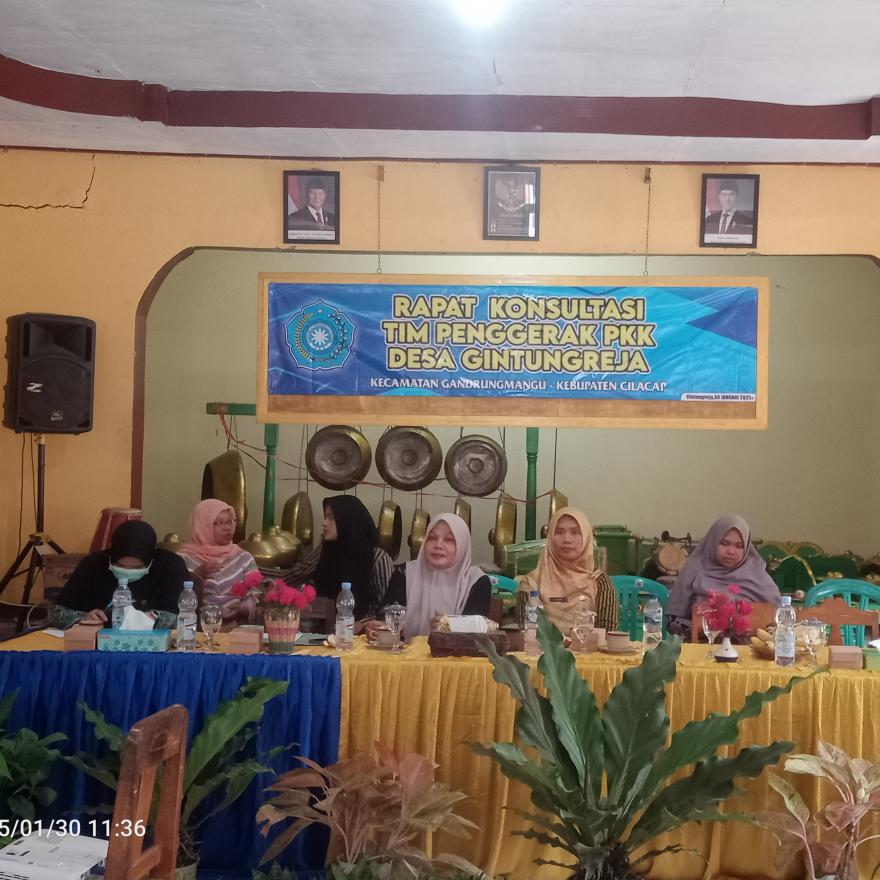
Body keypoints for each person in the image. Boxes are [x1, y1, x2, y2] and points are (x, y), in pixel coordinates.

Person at [365, 513, 490, 640]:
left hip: (457, 652)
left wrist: (451, 626)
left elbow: (477, 634)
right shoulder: (405, 573)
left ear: (462, 545)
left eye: (448, 540)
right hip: (407, 651)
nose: (438, 545)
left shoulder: (476, 581)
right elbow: (387, 620)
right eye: (432, 538)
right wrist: (377, 629)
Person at [52, 520, 187, 630]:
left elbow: (186, 618)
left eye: (137, 568)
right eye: (120, 566)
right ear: (111, 556)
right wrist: (83, 618)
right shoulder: (93, 565)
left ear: (151, 560)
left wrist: (152, 619)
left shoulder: (170, 567)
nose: (127, 572)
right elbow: (58, 613)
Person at [666, 513, 781, 636]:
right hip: (703, 644)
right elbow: (672, 621)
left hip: (751, 645)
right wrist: (703, 629)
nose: (731, 551)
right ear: (713, 542)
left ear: (747, 548)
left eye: (739, 546)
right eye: (724, 543)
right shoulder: (693, 570)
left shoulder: (758, 575)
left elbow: (779, 619)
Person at [281, 495, 392, 622]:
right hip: (327, 631)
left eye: (331, 518)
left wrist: (361, 626)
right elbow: (297, 573)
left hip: (367, 632)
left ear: (348, 521)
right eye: (325, 517)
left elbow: (387, 609)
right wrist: (261, 574)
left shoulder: (378, 559)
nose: (324, 523)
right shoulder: (327, 550)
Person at [519, 507, 619, 633]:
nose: (566, 539)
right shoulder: (531, 583)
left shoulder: (600, 582)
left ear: (586, 537)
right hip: (541, 647)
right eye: (559, 532)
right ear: (550, 537)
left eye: (575, 532)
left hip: (588, 646)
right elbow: (523, 633)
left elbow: (608, 635)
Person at [177, 499, 259, 620]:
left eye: (230, 522)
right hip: (196, 626)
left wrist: (243, 609)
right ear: (202, 525)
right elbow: (175, 595)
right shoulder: (182, 559)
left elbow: (256, 594)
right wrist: (199, 574)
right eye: (219, 523)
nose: (227, 528)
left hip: (236, 626)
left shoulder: (244, 558)